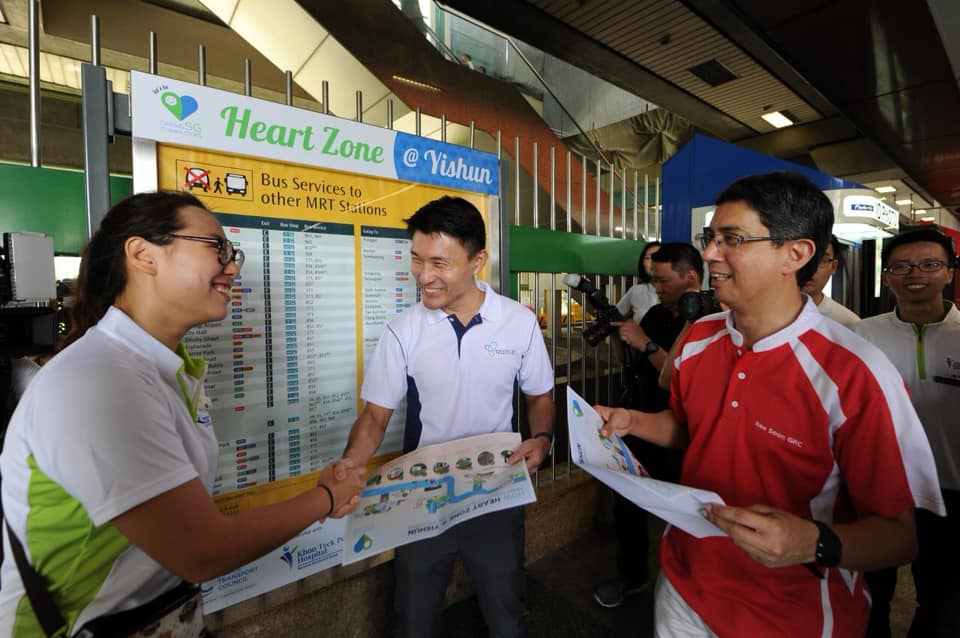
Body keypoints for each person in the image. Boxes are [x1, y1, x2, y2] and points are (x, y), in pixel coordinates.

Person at [594, 172, 944, 637]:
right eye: (710, 238)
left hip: (793, 613)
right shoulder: (698, 338)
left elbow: (900, 536)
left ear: (796, 253)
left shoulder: (856, 372)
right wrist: (632, 421)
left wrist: (815, 543)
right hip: (684, 585)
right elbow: (689, 428)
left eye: (732, 239)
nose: (711, 254)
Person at [0, 191, 364, 636]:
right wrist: (326, 495)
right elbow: (202, 550)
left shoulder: (165, 370)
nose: (232, 267)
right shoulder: (96, 381)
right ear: (143, 254)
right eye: (217, 248)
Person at [337, 195, 555, 638]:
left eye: (439, 263)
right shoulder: (404, 329)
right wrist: (353, 462)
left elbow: (540, 395)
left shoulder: (518, 322)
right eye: (417, 260)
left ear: (478, 261)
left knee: (505, 610)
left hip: (497, 488)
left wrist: (544, 438)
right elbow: (376, 415)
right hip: (423, 493)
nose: (423, 275)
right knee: (415, 615)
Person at [853, 228, 959, 638]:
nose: (915, 274)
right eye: (900, 266)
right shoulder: (861, 335)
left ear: (949, 272)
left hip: (951, 492)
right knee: (870, 595)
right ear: (886, 277)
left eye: (929, 264)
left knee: (943, 600)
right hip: (877, 488)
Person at [593, 243, 699, 608]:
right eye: (653, 280)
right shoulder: (654, 313)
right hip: (640, 422)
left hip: (684, 433)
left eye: (663, 281)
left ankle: (688, 587)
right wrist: (625, 339)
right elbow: (634, 364)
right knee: (627, 501)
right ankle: (632, 575)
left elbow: (681, 382)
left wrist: (646, 343)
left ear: (691, 277)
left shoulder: (706, 322)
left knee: (687, 512)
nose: (657, 287)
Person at [801, 234, 859, 327]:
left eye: (821, 260)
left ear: (833, 267)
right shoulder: (770, 313)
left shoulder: (849, 323)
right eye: (801, 257)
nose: (810, 269)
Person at [615, 241, 661, 325]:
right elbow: (614, 316)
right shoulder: (635, 291)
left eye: (658, 256)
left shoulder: (677, 290)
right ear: (642, 263)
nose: (652, 261)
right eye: (647, 258)